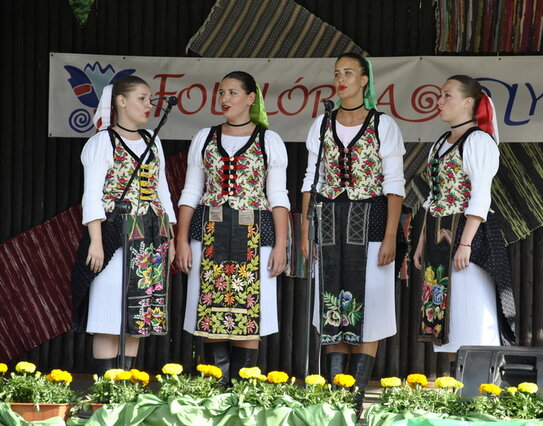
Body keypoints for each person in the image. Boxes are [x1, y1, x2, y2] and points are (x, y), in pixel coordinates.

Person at [300, 52, 406, 414]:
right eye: (336, 73)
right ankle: (335, 402)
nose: (341, 78)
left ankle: (356, 400)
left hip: (372, 223)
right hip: (328, 224)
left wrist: (391, 236)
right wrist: (305, 228)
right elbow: (309, 180)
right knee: (333, 308)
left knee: (369, 311)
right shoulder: (322, 123)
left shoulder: (383, 125)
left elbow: (394, 185)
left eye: (349, 73)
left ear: (364, 80)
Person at [175, 71, 289, 387]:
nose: (225, 99)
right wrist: (181, 240)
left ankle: (240, 391)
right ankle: (217, 389)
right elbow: (190, 192)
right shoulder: (205, 137)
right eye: (222, 92)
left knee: (251, 313)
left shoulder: (269, 140)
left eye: (233, 93)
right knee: (209, 311)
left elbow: (278, 197)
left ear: (251, 98)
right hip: (208, 233)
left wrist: (281, 245)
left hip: (255, 237)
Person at [71, 75, 177, 373]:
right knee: (107, 314)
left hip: (150, 236)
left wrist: (168, 237)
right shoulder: (102, 141)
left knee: (138, 316)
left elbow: (163, 192)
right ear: (121, 101)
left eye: (149, 99)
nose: (148, 105)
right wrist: (96, 241)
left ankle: (126, 388)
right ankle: (109, 387)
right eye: (142, 98)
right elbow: (91, 195)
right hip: (115, 234)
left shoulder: (152, 141)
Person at [412, 75, 516, 365]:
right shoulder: (440, 144)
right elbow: (432, 197)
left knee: (473, 312)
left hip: (470, 235)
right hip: (438, 235)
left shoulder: (479, 141)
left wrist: (466, 244)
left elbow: (481, 196)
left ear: (468, 102)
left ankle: (480, 388)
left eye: (447, 95)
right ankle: (455, 390)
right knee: (447, 318)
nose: (440, 101)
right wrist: (421, 241)